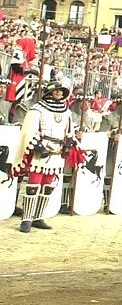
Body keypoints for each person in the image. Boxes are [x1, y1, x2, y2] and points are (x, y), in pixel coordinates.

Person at [11, 80, 86, 232]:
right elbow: (30, 131)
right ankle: (27, 218)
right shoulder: (37, 109)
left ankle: (38, 217)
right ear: (49, 91)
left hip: (57, 152)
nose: (59, 93)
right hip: (41, 151)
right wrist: (38, 146)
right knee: (33, 185)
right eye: (56, 90)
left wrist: (69, 143)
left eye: (61, 91)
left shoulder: (66, 112)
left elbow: (69, 131)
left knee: (48, 186)